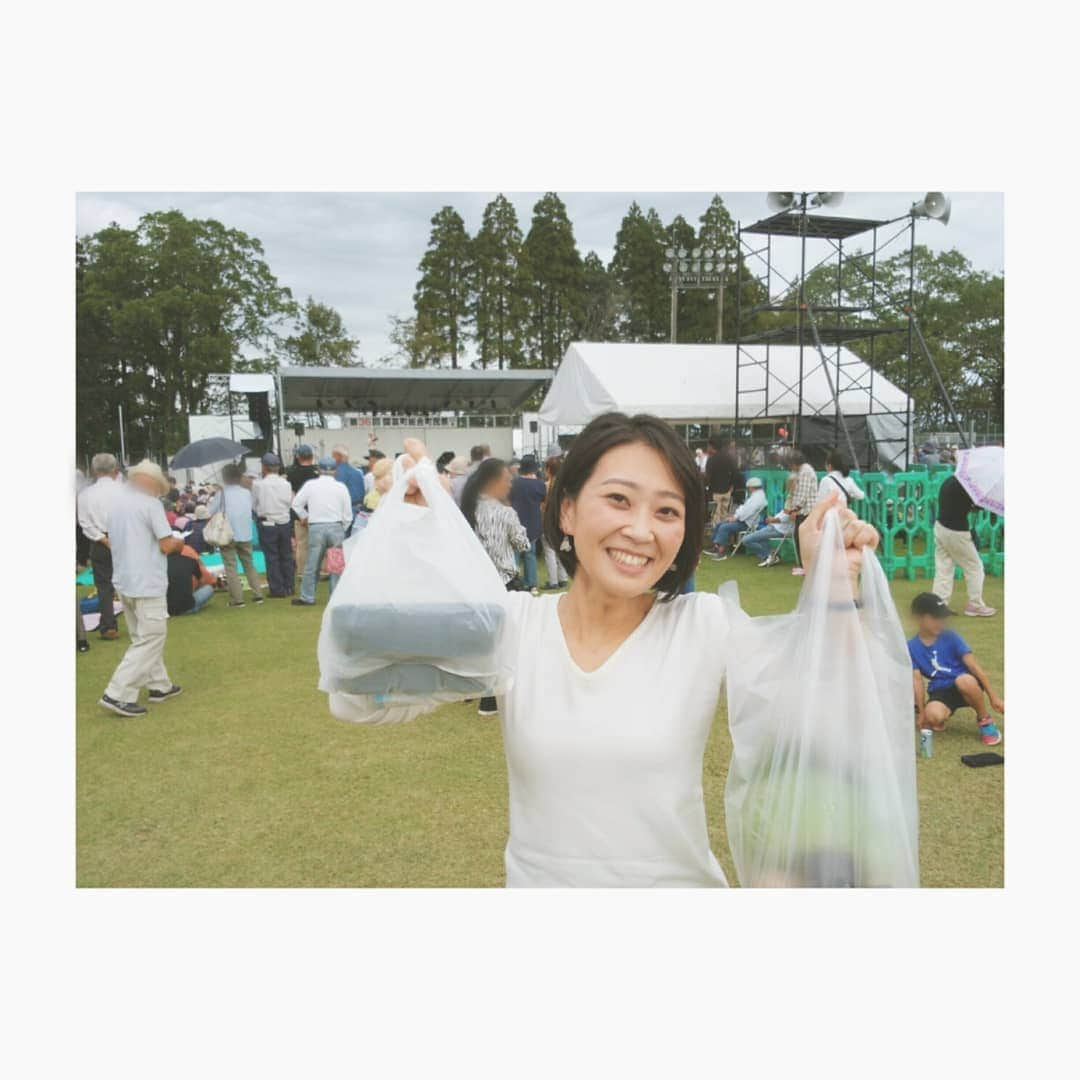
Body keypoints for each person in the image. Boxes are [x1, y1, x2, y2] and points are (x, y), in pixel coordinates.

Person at [369, 415, 879, 887]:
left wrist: (832, 582)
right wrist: (413, 539)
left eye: (667, 510)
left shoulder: (702, 625)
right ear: (566, 510)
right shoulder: (515, 625)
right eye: (618, 499)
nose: (641, 529)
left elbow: (829, 713)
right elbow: (364, 695)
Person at [98, 460, 185, 718]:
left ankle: (160, 685)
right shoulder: (151, 505)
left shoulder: (116, 506)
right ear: (153, 484)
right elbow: (166, 545)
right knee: (151, 637)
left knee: (143, 636)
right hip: (147, 581)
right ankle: (118, 693)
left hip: (125, 579)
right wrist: (180, 544)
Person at [460, 457, 532, 717]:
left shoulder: (466, 510)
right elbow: (523, 544)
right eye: (507, 479)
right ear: (495, 482)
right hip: (503, 583)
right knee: (506, 642)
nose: (510, 483)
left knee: (480, 641)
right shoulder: (505, 512)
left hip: (473, 584)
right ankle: (493, 699)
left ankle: (473, 690)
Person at [909, 592, 1004, 745]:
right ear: (919, 618)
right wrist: (921, 713)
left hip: (968, 685)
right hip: (941, 690)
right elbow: (917, 680)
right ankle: (939, 718)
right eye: (934, 618)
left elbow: (974, 666)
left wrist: (994, 697)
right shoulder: (911, 647)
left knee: (964, 680)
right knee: (932, 715)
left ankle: (984, 720)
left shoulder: (951, 636)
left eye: (942, 618)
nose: (940, 622)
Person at [291, 456, 353, 606]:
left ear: (318, 470)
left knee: (312, 564)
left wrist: (305, 517)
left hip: (316, 527)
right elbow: (348, 515)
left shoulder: (310, 485)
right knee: (336, 565)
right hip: (336, 526)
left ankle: (307, 596)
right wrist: (341, 528)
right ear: (335, 471)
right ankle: (335, 597)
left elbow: (296, 504)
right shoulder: (341, 487)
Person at [77, 452, 125, 641]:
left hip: (99, 541)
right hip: (124, 538)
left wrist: (102, 539)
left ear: (94, 470)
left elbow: (84, 523)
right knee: (130, 581)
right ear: (115, 469)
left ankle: (108, 626)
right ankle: (137, 621)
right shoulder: (125, 490)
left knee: (104, 586)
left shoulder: (86, 494)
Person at [932, 474, 996, 617]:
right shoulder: (967, 487)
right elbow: (976, 505)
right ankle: (975, 604)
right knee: (974, 567)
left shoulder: (949, 481)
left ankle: (939, 604)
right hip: (956, 531)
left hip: (940, 526)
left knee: (944, 568)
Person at [208, 464, 265, 608]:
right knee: (249, 564)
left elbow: (210, 511)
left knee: (231, 566)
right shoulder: (246, 492)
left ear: (224, 478)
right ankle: (258, 594)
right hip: (245, 532)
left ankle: (237, 599)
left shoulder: (222, 493)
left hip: (227, 534)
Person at [252, 452, 296, 597]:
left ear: (264, 467)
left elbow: (253, 505)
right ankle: (289, 586)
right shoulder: (286, 484)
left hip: (267, 522)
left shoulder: (259, 485)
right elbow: (290, 503)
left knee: (272, 557)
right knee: (286, 556)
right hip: (284, 522)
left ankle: (277, 589)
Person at [706, 475, 767, 559]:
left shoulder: (757, 498)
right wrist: (735, 516)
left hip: (748, 523)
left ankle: (720, 552)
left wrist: (735, 517)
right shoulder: (756, 496)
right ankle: (716, 546)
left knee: (724, 527)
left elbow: (747, 512)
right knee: (720, 524)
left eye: (748, 488)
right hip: (744, 520)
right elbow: (745, 509)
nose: (748, 489)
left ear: (752, 487)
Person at [509, 455, 546, 590]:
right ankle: (531, 584)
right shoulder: (540, 484)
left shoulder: (513, 483)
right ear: (534, 469)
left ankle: (512, 582)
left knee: (514, 556)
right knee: (530, 555)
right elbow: (543, 501)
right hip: (533, 523)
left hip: (515, 523)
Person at [287, 444, 320, 583]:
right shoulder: (318, 472)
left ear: (298, 457)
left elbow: (292, 495)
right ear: (312, 456)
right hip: (318, 513)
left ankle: (302, 571)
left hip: (299, 513)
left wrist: (301, 514)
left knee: (302, 544)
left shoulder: (291, 473)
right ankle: (321, 570)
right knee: (318, 545)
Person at [784, 450, 818, 577]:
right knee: (799, 538)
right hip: (802, 510)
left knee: (803, 539)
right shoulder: (799, 472)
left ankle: (806, 566)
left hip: (806, 511)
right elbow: (793, 492)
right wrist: (789, 507)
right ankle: (804, 565)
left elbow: (802, 494)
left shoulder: (805, 472)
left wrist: (795, 509)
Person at [540, 456, 570, 590]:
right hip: (563, 521)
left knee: (549, 552)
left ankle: (553, 581)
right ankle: (563, 578)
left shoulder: (545, 486)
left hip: (548, 521)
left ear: (548, 470)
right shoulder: (565, 487)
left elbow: (542, 506)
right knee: (561, 550)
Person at [167, 539, 216, 616]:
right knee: (209, 588)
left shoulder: (160, 564)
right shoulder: (191, 560)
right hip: (188, 606)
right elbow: (203, 579)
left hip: (164, 608)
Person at [705, 437, 739, 524]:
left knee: (716, 515)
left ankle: (716, 534)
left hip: (715, 491)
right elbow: (735, 472)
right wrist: (731, 485)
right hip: (727, 491)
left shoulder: (711, 460)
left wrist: (707, 487)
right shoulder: (729, 457)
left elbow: (708, 477)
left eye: (708, 446)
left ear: (712, 447)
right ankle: (724, 533)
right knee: (724, 514)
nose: (707, 448)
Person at [332, 443, 368, 513]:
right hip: (358, 510)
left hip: (344, 510)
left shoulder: (337, 473)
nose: (332, 459)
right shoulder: (359, 472)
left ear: (339, 456)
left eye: (333, 456)